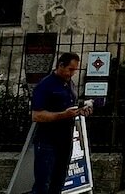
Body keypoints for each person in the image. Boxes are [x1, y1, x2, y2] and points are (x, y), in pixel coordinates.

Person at [31, 52, 92, 194]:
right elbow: (37, 115)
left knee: (58, 182)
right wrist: (63, 115)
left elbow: (71, 105)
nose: (72, 73)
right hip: (48, 141)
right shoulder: (45, 85)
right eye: (70, 69)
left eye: (75, 70)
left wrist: (81, 110)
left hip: (65, 140)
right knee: (43, 184)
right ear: (60, 65)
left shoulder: (69, 84)